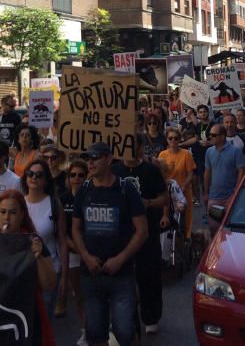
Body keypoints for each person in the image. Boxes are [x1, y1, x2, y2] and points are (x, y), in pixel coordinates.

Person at [71, 142, 148, 346]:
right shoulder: (84, 190)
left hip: (121, 274)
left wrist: (121, 258)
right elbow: (75, 229)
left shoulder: (125, 189)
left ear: (108, 158)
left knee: (125, 332)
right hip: (91, 274)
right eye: (88, 159)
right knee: (95, 333)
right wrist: (86, 257)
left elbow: (142, 230)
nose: (90, 163)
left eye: (95, 158)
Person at [0, 190, 57, 346]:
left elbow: (49, 284)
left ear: (22, 215)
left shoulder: (32, 242)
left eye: (12, 212)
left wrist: (38, 257)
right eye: (2, 212)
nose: (6, 217)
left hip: (26, 315)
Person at [113, 134, 169, 335]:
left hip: (148, 232)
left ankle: (151, 315)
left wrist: (149, 204)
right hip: (121, 234)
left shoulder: (151, 171)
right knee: (122, 278)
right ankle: (128, 319)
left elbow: (164, 198)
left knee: (149, 275)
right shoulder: (113, 170)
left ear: (139, 148)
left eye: (133, 145)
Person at [21, 159, 69, 319]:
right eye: (30, 174)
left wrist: (64, 275)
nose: (33, 178)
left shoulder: (54, 204)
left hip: (48, 270)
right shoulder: (18, 204)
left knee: (44, 324)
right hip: (23, 272)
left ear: (46, 180)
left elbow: (62, 241)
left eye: (39, 175)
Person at [59, 159, 88, 336]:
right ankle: (85, 330)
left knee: (96, 294)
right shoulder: (63, 199)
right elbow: (61, 231)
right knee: (79, 295)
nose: (76, 179)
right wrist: (76, 248)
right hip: (73, 253)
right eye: (73, 175)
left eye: (80, 175)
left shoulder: (93, 195)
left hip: (93, 252)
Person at [203, 123, 245, 230]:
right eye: (210, 134)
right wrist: (205, 193)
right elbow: (207, 172)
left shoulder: (235, 151)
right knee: (213, 228)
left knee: (229, 230)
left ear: (222, 136)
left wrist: (236, 193)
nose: (210, 137)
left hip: (230, 197)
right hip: (214, 197)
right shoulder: (209, 151)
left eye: (214, 135)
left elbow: (241, 171)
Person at [157, 129, 196, 239]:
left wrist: (183, 185)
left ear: (180, 140)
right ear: (167, 140)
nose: (173, 140)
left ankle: (185, 239)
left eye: (176, 138)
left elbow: (190, 173)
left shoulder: (186, 154)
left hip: (183, 192)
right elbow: (160, 173)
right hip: (167, 191)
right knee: (167, 216)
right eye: (170, 138)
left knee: (185, 218)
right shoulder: (162, 154)